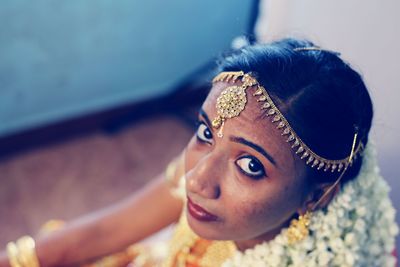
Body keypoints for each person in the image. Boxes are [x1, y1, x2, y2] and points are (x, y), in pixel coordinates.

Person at [0, 38, 398, 267]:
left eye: (250, 165)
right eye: (206, 131)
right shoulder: (202, 175)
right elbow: (103, 232)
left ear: (314, 195)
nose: (196, 179)